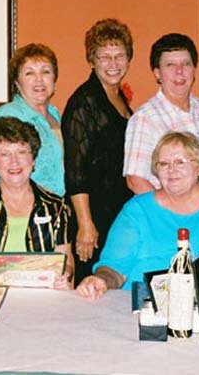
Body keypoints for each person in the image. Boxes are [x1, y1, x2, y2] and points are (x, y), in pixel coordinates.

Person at [76, 132, 199, 299]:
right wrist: (100, 280)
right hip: (148, 309)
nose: (171, 169)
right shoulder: (138, 210)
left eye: (180, 162)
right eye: (163, 163)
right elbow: (113, 268)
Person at [0, 117, 73, 290]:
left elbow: (65, 259)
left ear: (33, 160)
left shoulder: (55, 205)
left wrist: (64, 275)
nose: (14, 161)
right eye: (4, 154)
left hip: (40, 296)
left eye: (22, 152)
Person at [62, 18, 134, 285]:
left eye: (119, 56)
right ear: (92, 60)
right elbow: (75, 171)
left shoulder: (118, 97)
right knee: (92, 288)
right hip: (94, 216)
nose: (113, 63)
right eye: (104, 57)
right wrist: (85, 224)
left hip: (117, 210)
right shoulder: (84, 102)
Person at [124, 33, 199, 195]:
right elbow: (135, 180)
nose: (180, 72)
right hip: (169, 216)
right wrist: (171, 214)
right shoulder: (145, 118)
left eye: (186, 64)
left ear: (194, 70)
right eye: (170, 65)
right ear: (157, 73)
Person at [0, 43, 64, 196]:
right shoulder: (10, 116)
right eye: (29, 73)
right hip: (25, 209)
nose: (39, 80)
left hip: (57, 207)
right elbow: (3, 170)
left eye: (45, 72)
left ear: (54, 79)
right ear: (17, 82)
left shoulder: (56, 115)